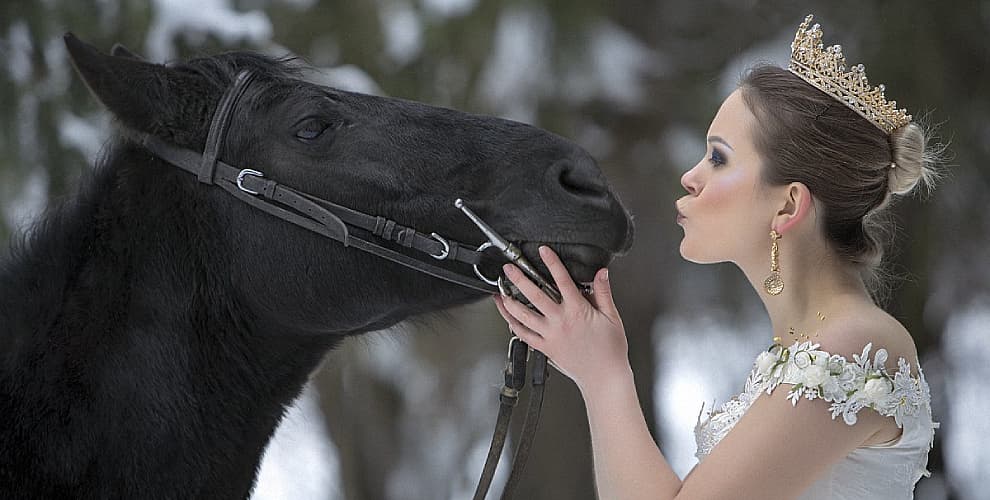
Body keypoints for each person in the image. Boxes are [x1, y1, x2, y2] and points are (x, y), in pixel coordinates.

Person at [493, 14, 939, 500]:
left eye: (719, 157)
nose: (690, 177)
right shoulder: (798, 353)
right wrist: (598, 373)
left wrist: (604, 375)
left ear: (788, 205)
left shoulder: (856, 345)